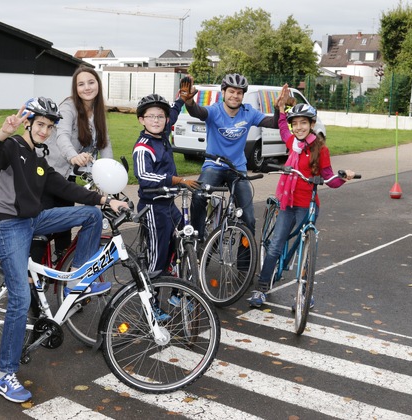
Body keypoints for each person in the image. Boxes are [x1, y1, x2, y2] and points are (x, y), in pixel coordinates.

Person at [0, 96, 127, 403]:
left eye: (49, 126)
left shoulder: (37, 156)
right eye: (41, 124)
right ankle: (3, 374)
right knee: (20, 297)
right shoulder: (12, 147)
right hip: (9, 225)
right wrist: (3, 133)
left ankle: (77, 278)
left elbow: (62, 187)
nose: (45, 131)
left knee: (91, 215)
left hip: (32, 220)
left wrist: (104, 200)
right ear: (29, 123)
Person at [247, 84, 356, 308]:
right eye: (295, 124)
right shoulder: (292, 143)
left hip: (308, 204)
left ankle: (305, 292)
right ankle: (262, 287)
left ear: (312, 125)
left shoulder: (320, 149)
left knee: (306, 247)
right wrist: (280, 106)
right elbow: (281, 126)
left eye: (303, 123)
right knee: (276, 244)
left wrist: (344, 177)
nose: (298, 128)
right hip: (288, 203)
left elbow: (329, 179)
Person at [178, 74, 279, 239]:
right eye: (231, 91)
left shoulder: (248, 112)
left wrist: (278, 108)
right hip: (213, 166)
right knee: (198, 197)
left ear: (243, 96)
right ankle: (197, 240)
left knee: (249, 218)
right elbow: (197, 112)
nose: (235, 95)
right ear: (223, 93)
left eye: (239, 93)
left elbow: (274, 123)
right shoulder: (214, 110)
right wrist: (189, 102)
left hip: (237, 168)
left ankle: (245, 262)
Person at [132, 94, 199, 319]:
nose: (157, 120)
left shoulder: (162, 136)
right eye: (151, 116)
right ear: (142, 120)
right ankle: (150, 306)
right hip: (153, 207)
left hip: (169, 205)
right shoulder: (143, 147)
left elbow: (173, 113)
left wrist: (180, 100)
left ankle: (176, 292)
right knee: (157, 258)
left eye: (160, 116)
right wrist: (178, 180)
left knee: (184, 239)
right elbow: (144, 176)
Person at [44, 66, 113, 257]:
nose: (87, 88)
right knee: (43, 230)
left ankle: (60, 271)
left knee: (64, 226)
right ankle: (31, 278)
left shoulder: (97, 112)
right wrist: (73, 155)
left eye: (91, 82)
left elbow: (105, 144)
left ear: (98, 84)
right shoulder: (68, 107)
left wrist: (110, 175)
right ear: (75, 88)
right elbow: (62, 135)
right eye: (81, 84)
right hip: (49, 173)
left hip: (67, 177)